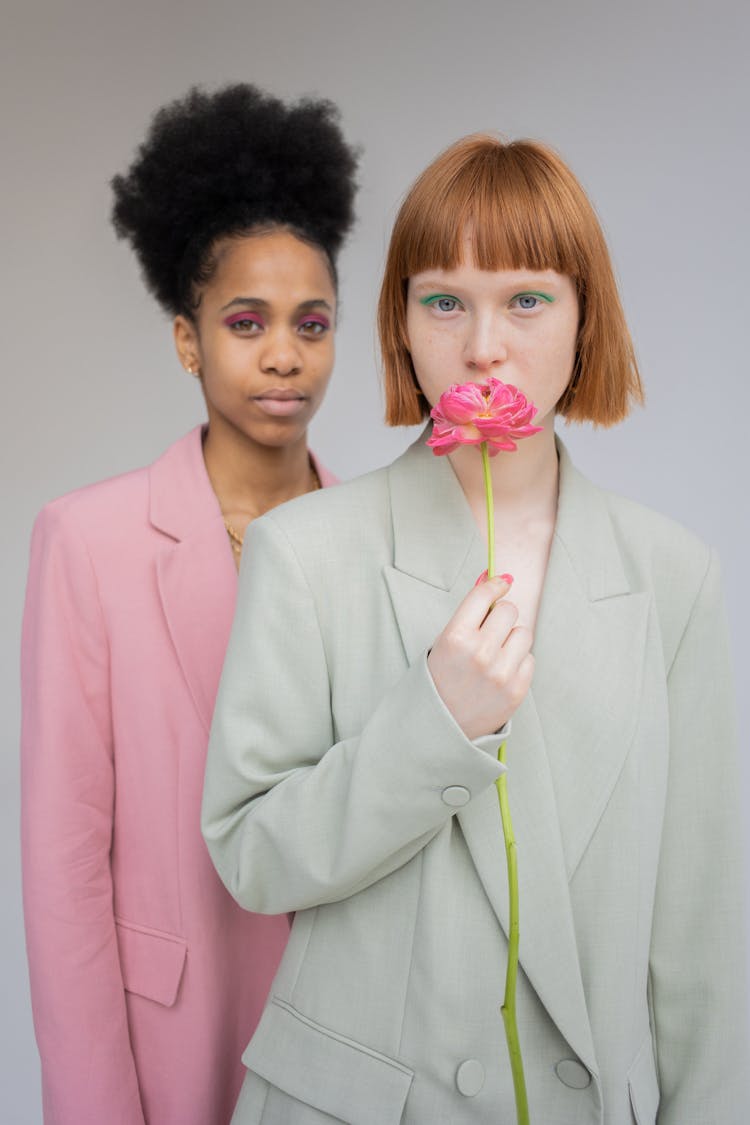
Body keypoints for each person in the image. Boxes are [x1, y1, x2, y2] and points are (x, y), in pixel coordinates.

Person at [202, 135, 748, 1124]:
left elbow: (701, 929)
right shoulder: (304, 550)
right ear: (402, 321)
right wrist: (433, 723)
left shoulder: (674, 576)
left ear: (587, 319)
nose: (483, 344)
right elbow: (253, 857)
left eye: (527, 299)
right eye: (443, 299)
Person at [21, 83, 358, 1125]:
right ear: (185, 339)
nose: (282, 355)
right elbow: (64, 867)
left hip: (351, 1035)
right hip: (174, 1034)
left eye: (312, 323)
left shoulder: (376, 547)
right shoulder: (88, 541)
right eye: (245, 322)